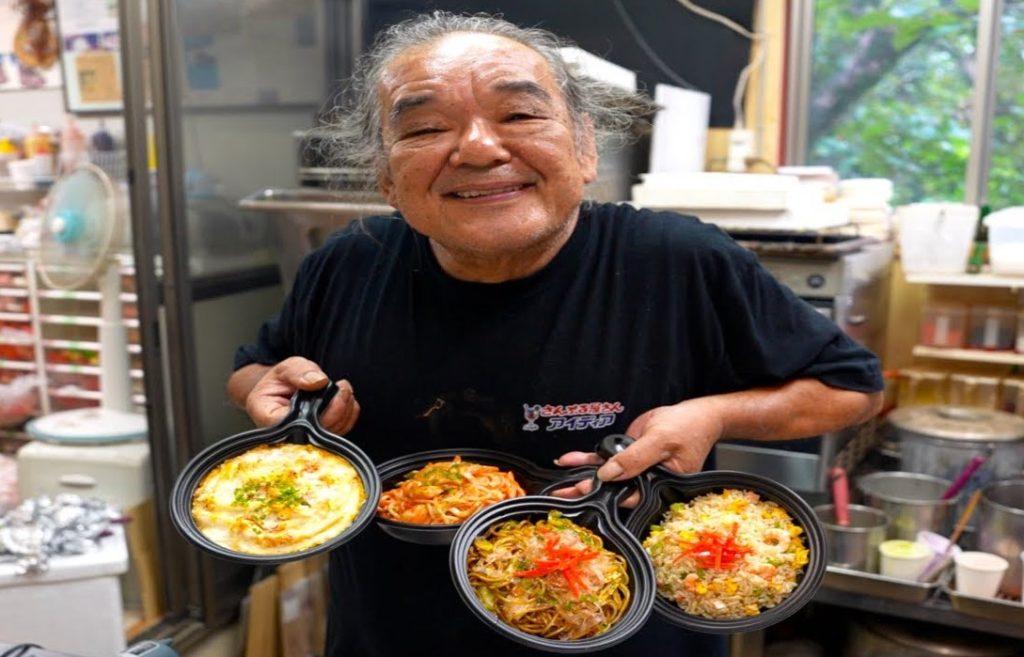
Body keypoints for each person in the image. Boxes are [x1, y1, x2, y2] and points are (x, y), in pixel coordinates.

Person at [228, 11, 883, 656]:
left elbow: (852, 386)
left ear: (586, 146)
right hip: (390, 633)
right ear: (386, 180)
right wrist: (272, 394)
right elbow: (255, 368)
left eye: (518, 116)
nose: (479, 148)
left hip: (620, 633)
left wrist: (711, 414)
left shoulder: (679, 262)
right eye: (426, 127)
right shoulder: (348, 262)